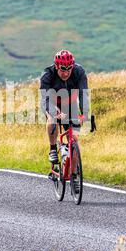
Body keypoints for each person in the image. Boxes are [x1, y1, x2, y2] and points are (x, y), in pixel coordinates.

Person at [40, 50, 89, 178]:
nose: (66, 73)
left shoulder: (79, 72)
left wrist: (84, 114)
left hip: (70, 105)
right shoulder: (47, 75)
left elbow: (83, 94)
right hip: (52, 103)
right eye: (62, 69)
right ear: (56, 66)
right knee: (52, 119)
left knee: (75, 141)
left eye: (69, 69)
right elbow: (44, 99)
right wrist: (53, 112)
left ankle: (74, 176)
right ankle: (52, 149)